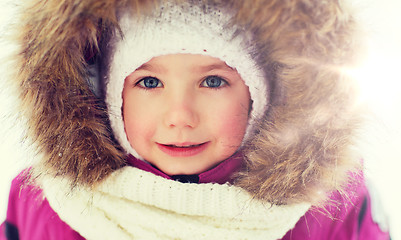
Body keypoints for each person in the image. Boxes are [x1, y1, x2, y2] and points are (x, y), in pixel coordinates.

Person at [0, 0, 391, 239]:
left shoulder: (331, 205)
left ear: (265, 96)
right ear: (106, 93)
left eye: (213, 81)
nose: (180, 117)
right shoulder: (45, 204)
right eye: (149, 82)